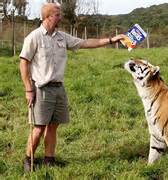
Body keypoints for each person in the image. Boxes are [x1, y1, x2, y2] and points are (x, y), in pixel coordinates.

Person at [19, 3, 127, 172]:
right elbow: (24, 63)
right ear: (47, 17)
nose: (59, 17)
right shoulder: (34, 37)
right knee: (38, 128)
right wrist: (28, 89)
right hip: (41, 89)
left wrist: (111, 40)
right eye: (56, 14)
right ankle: (28, 160)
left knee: (54, 125)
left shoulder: (62, 37)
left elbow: (85, 43)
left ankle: (49, 159)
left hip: (59, 89)